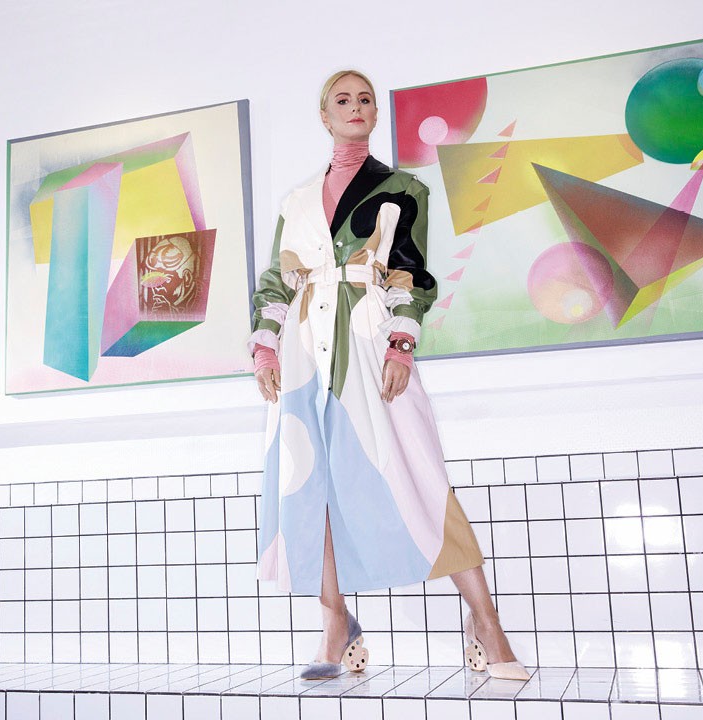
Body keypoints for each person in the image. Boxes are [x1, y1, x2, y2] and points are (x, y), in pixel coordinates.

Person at [249, 69, 530, 682]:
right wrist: (265, 349)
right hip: (303, 355)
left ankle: (486, 623)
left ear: (375, 114)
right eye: (342, 100)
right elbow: (276, 280)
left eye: (365, 99)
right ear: (325, 116)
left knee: (421, 475)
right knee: (311, 483)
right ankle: (336, 623)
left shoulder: (403, 189)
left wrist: (401, 346)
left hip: (370, 340)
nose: (355, 107)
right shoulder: (296, 202)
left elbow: (410, 273)